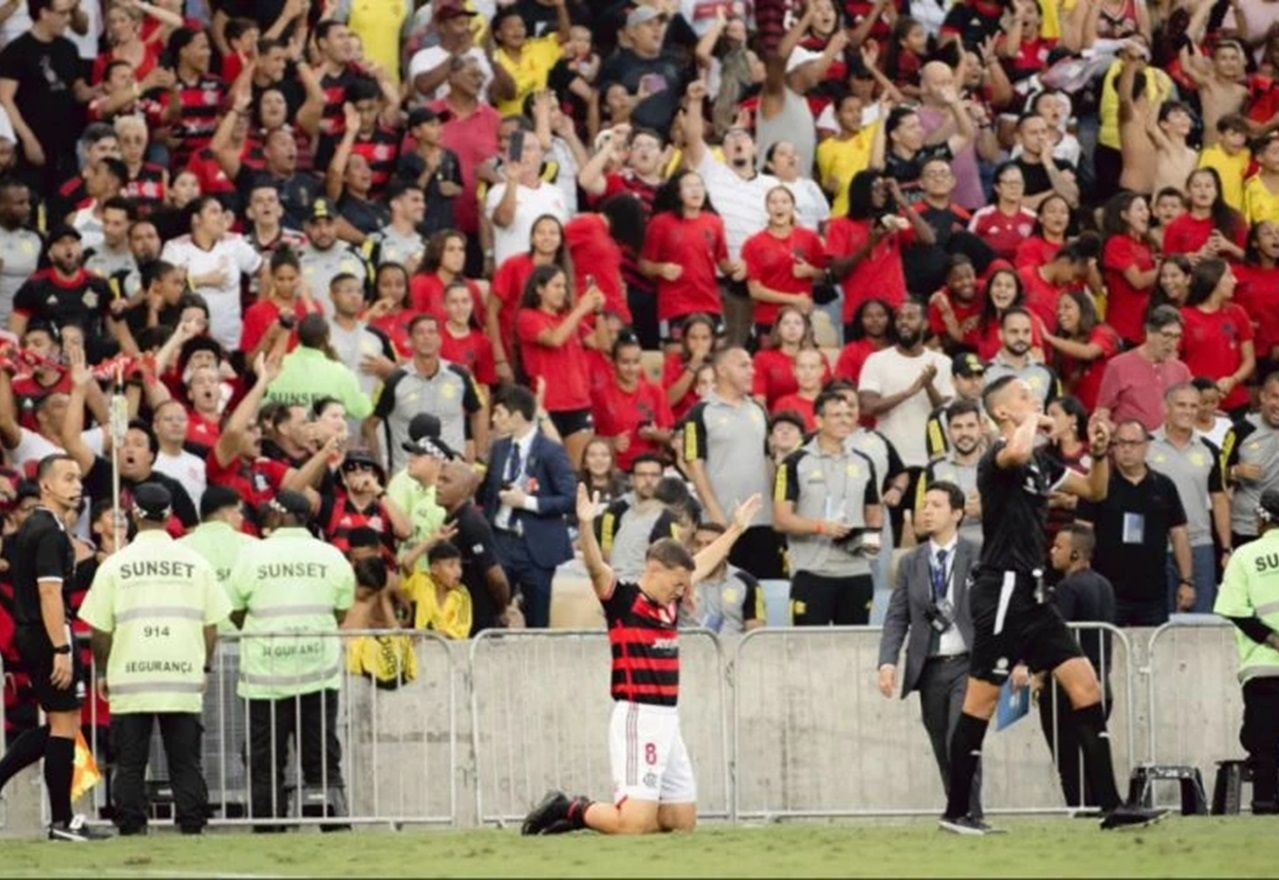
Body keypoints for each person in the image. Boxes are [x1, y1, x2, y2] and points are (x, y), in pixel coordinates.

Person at [939, 376, 1164, 834]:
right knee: (981, 700)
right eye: (1023, 396)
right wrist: (1031, 422)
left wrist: (1098, 454)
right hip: (1001, 589)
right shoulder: (998, 459)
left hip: (1036, 593)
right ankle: (957, 812)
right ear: (1002, 413)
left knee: (1085, 689)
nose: (1034, 400)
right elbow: (1017, 451)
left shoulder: (1040, 461)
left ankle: (1112, 806)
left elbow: (1095, 490)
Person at [520, 485, 761, 836]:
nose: (684, 590)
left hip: (668, 719)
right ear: (656, 569)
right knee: (633, 825)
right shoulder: (623, 599)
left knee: (680, 824)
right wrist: (585, 525)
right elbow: (593, 565)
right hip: (638, 715)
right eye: (678, 583)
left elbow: (705, 562)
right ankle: (569, 807)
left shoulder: (671, 601)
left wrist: (736, 529)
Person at [78, 483, 228, 836]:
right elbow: (211, 625)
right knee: (185, 760)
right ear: (171, 516)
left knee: (130, 762)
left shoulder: (115, 565)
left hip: (131, 677)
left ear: (134, 515)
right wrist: (204, 665)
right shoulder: (196, 564)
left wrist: (102, 670)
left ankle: (131, 824)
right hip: (181, 676)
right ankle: (192, 823)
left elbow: (100, 629)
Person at [228, 490, 355, 830]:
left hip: (265, 677)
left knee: (265, 760)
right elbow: (342, 610)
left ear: (279, 516)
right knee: (321, 756)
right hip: (317, 672)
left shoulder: (252, 554)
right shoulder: (330, 556)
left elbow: (236, 609)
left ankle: (269, 828)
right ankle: (330, 826)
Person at [0, 454, 108, 841]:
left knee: (63, 725)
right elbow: (48, 592)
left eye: (79, 478)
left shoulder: (41, 528)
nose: (77, 484)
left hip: (40, 633)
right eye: (67, 478)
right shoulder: (47, 530)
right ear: (46, 485)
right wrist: (61, 649)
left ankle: (62, 820)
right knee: (63, 725)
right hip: (47, 636)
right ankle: (62, 822)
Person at [879, 481, 982, 822]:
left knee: (960, 738)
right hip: (929, 667)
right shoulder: (911, 562)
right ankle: (958, 813)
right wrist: (887, 662)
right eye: (924, 505)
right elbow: (897, 616)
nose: (926, 511)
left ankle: (969, 812)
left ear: (957, 513)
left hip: (968, 663)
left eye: (936, 505)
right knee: (941, 744)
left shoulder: (976, 555)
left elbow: (995, 609)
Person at [774, 390, 883, 625]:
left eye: (848, 414)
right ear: (819, 420)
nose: (845, 419)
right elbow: (781, 519)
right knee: (808, 650)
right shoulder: (794, 462)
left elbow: (874, 511)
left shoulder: (864, 462)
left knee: (854, 650)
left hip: (857, 572)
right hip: (812, 572)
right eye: (836, 415)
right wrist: (822, 527)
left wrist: (870, 547)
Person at [1076, 420, 1194, 627]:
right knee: (1109, 652)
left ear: (1146, 446)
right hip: (1107, 590)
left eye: (1133, 443)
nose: (1126, 449)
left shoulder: (1163, 486)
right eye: (1120, 443)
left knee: (1151, 653)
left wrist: (1187, 581)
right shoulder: (1098, 483)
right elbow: (1082, 531)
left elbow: (1179, 534)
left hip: (1152, 592)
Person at [478, 384, 575, 629]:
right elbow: (487, 494)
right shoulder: (499, 448)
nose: (493, 419)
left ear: (517, 416)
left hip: (536, 546)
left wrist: (527, 502)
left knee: (537, 618)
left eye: (499, 413)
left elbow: (569, 498)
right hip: (500, 540)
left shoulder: (550, 451)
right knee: (492, 614)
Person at [682, 347, 781, 579]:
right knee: (722, 587)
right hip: (722, 521)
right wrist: (715, 513)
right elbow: (694, 466)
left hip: (762, 520)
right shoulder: (700, 412)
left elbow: (768, 461)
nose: (752, 371)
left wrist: (776, 508)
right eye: (744, 365)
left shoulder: (758, 409)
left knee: (764, 590)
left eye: (751, 365)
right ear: (722, 370)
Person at [1040, 523, 1118, 809]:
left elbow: (1055, 639)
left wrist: (1038, 675)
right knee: (1094, 754)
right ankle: (1103, 806)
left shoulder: (1067, 589)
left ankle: (1081, 810)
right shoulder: (1104, 585)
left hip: (1067, 690)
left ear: (1075, 554)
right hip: (1101, 684)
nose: (1052, 551)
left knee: (1069, 762)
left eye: (1058, 547)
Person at [858, 300, 954, 535]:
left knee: (928, 534)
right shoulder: (877, 360)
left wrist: (929, 385)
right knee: (890, 532)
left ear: (925, 323)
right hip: (890, 463)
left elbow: (945, 412)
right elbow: (867, 407)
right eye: (900, 316)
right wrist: (908, 392)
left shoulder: (942, 362)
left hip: (928, 461)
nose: (904, 322)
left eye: (911, 317)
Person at [1214, 487, 1279, 815]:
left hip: (1264, 669)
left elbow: (1235, 610)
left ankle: (1266, 807)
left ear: (1262, 517)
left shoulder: (1245, 555)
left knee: (1265, 746)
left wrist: (1271, 638)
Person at [365, 313, 486, 472]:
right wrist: (379, 468)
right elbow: (369, 425)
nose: (426, 337)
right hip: (407, 478)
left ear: (440, 339)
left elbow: (479, 412)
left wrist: (480, 459)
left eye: (431, 332)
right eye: (420, 333)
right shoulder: (393, 381)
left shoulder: (461, 376)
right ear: (410, 341)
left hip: (451, 477)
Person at [1149, 384, 1231, 614]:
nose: (1188, 411)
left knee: (1202, 618)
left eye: (1194, 406)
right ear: (1166, 407)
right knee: (1160, 620)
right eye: (1181, 405)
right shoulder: (1145, 445)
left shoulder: (1210, 450)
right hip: (1156, 545)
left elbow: (1219, 500)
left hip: (1200, 545)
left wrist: (1225, 548)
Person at [435, 460, 510, 635]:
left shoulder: (472, 523)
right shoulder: (450, 520)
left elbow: (497, 578)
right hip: (456, 622)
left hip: (477, 625)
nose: (438, 485)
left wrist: (501, 610)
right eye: (439, 479)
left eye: (446, 481)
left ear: (464, 490)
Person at [1094, 306, 1192, 433]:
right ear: (1149, 332)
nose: (1171, 342)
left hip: (1170, 447)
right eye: (1166, 335)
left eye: (1176, 337)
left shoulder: (1181, 370)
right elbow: (1102, 412)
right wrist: (1122, 435)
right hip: (1131, 447)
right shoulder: (1118, 366)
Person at [595, 454, 679, 582]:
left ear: (662, 479)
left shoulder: (673, 513)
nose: (648, 480)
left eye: (654, 475)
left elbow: (675, 558)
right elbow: (605, 551)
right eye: (642, 475)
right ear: (632, 479)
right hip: (618, 584)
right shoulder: (615, 511)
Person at [916, 400, 986, 549]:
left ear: (982, 428)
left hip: (992, 555)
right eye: (957, 427)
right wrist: (957, 512)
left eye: (971, 426)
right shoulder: (933, 469)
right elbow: (919, 526)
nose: (964, 433)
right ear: (947, 432)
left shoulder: (999, 464)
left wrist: (985, 511)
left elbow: (1018, 519)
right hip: (950, 555)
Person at [1224, 372, 1279, 553]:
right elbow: (1215, 477)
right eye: (1275, 397)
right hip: (1247, 527)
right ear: (1263, 396)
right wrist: (1235, 472)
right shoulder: (1240, 431)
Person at [678, 521, 764, 634]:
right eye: (698, 544)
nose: (703, 549)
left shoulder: (747, 582)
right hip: (690, 648)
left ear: (726, 549)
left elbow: (755, 633)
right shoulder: (679, 580)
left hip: (732, 648)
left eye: (710, 545)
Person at [983, 307, 1061, 411]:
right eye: (1014, 332)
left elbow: (1053, 415)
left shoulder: (1046, 372)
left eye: (1026, 332)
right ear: (1000, 335)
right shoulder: (985, 373)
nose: (1021, 338)